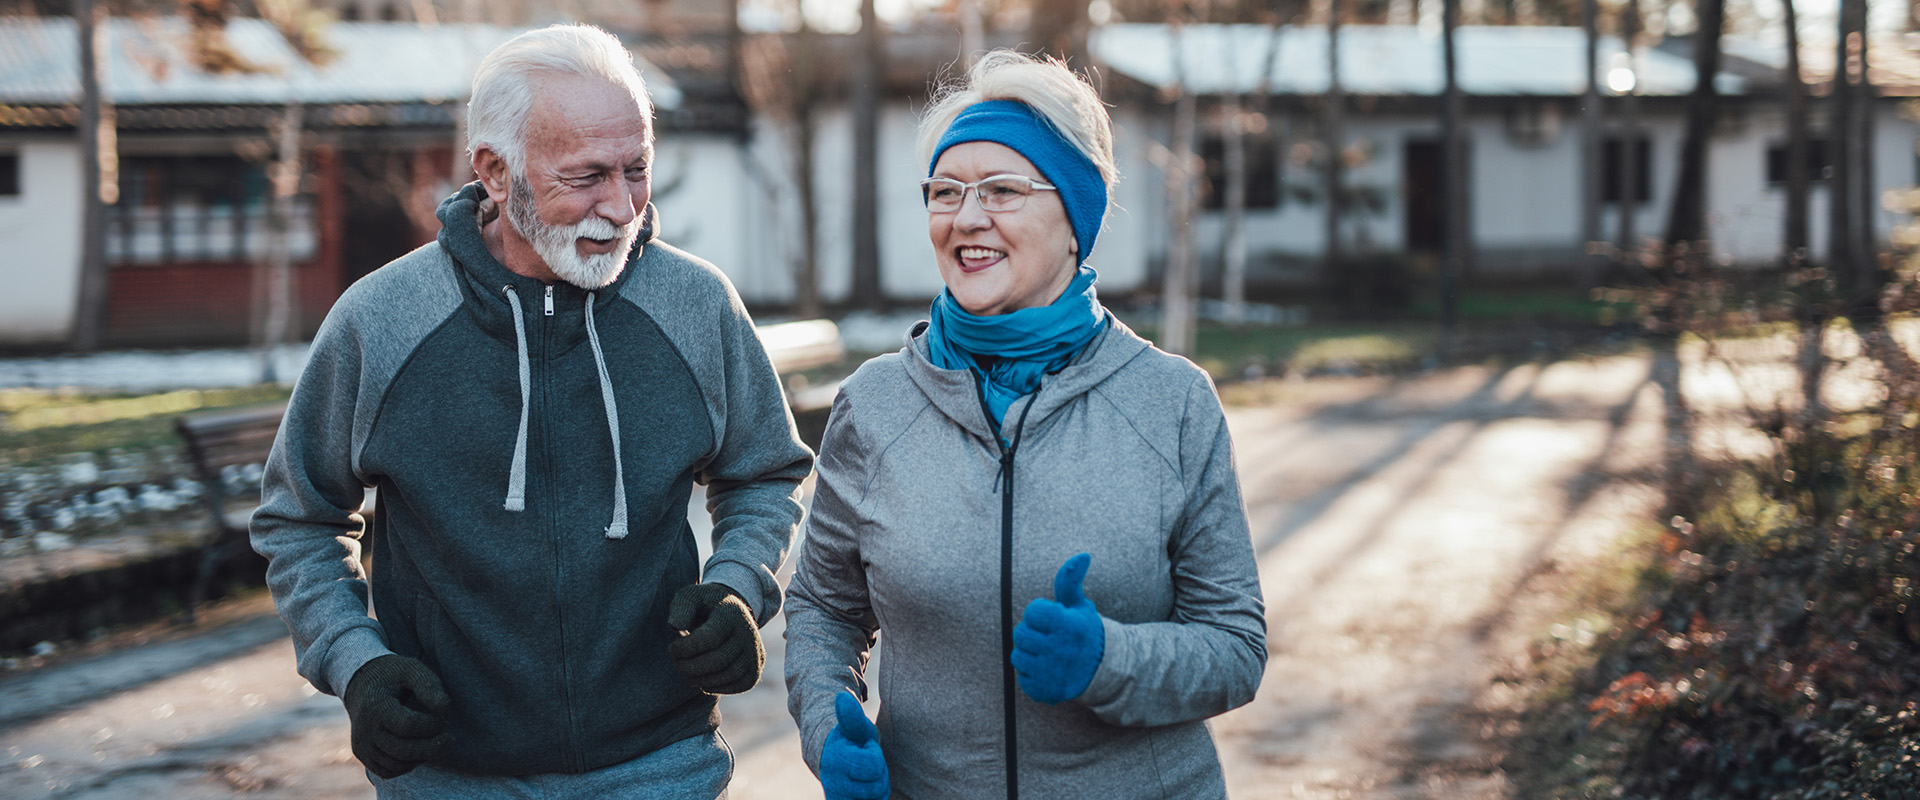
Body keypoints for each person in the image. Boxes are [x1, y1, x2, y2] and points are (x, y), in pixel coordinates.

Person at [250, 24, 813, 797]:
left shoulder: (696, 305)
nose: (620, 207)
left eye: (636, 169)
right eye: (585, 176)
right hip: (451, 774)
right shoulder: (381, 320)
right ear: (495, 171)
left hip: (663, 763)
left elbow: (764, 472)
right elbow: (300, 518)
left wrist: (739, 587)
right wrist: (358, 663)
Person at [782, 50, 1268, 800]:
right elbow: (823, 606)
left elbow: (1235, 646)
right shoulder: (875, 405)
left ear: (1075, 218)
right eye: (946, 192)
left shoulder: (1170, 403)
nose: (967, 218)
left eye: (1003, 190)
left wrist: (1109, 659)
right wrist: (826, 728)